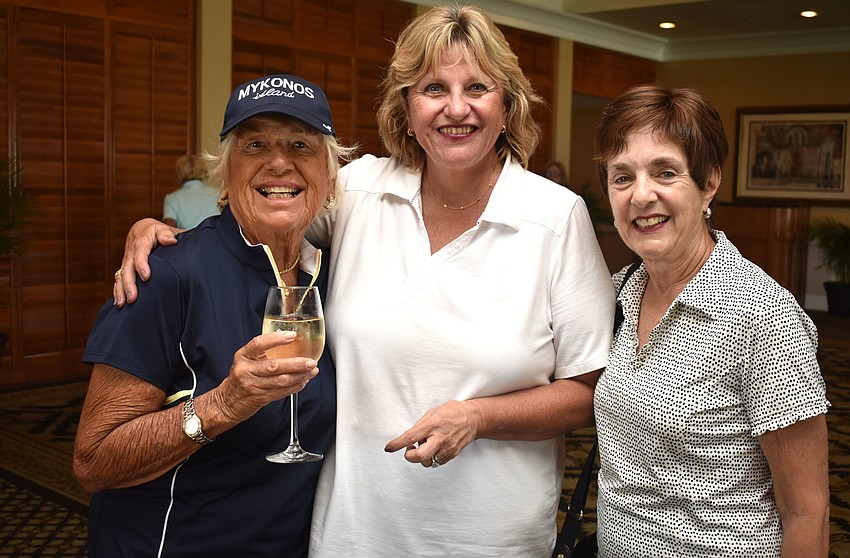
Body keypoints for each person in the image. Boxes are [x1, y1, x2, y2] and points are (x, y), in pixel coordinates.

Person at [113, 5, 616, 556]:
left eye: (477, 87)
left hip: (491, 535)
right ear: (405, 106)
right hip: (351, 531)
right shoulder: (358, 191)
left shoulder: (555, 216)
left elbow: (587, 392)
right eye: (432, 88)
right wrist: (162, 234)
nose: (456, 108)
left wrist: (478, 416)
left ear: (507, 104)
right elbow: (265, 212)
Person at [73, 74, 355, 557]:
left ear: (330, 176)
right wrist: (222, 405)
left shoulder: (336, 273)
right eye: (256, 144)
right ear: (225, 174)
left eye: (301, 145)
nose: (279, 162)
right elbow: (94, 461)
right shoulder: (167, 275)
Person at [592, 82, 830, 557]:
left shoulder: (762, 316)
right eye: (622, 178)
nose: (641, 196)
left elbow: (809, 511)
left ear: (710, 183)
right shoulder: (618, 290)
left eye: (665, 172)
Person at [162, 153, 221, 228]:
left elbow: (168, 229)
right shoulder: (218, 193)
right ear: (203, 170)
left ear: (179, 173)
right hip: (215, 238)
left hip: (186, 239)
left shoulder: (172, 198)